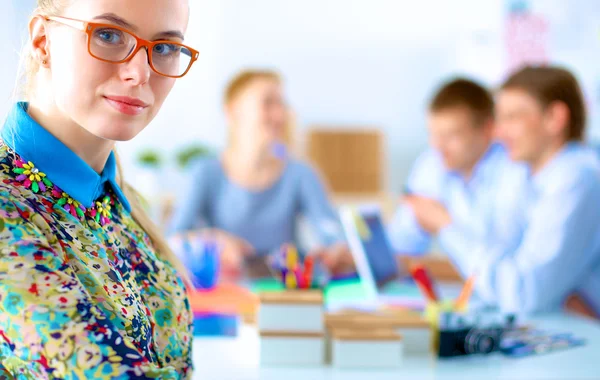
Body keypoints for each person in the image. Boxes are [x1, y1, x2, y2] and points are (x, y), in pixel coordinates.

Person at [0, 0, 199, 378]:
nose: (139, 73)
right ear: (43, 41)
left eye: (165, 47)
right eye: (108, 35)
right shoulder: (7, 210)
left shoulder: (122, 201)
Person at [409, 66, 600, 316]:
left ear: (555, 117)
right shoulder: (533, 176)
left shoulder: (576, 177)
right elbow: (507, 262)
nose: (498, 132)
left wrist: (446, 226)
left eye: (512, 117)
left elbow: (521, 292)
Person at [169, 70, 353, 276]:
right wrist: (212, 239)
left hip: (284, 295)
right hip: (226, 295)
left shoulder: (300, 173)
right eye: (268, 103)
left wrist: (337, 252)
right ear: (232, 112)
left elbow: (333, 236)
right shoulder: (204, 173)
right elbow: (173, 240)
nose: (279, 115)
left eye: (281, 104)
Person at [388, 78, 508, 259]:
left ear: (488, 129)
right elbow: (402, 241)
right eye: (433, 134)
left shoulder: (513, 168)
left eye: (451, 135)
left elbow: (499, 262)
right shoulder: (432, 163)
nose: (438, 146)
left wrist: (443, 225)